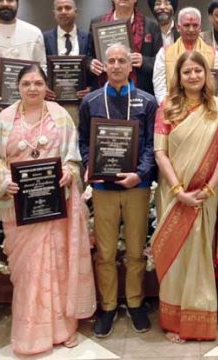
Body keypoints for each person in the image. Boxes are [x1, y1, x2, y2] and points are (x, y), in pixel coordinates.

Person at [0, 64, 96, 354]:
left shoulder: (60, 115)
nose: (32, 88)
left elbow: (72, 155)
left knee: (58, 266)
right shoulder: (5, 118)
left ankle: (63, 327)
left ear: (46, 87)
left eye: (37, 83)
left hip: (56, 206)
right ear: (18, 87)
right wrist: (4, 179)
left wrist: (70, 173)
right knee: (29, 271)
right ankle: (30, 332)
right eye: (26, 83)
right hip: (20, 208)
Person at [152, 51, 218, 342]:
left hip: (204, 194)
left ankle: (198, 317)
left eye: (197, 71)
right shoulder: (167, 107)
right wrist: (178, 191)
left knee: (199, 253)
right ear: (179, 76)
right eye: (186, 72)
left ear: (207, 75)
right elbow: (160, 153)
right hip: (173, 193)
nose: (192, 76)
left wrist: (209, 187)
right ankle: (174, 319)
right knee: (175, 255)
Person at [78, 43, 157, 337]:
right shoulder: (92, 102)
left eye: (121, 60)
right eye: (110, 61)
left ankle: (135, 303)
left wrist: (140, 174)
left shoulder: (147, 102)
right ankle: (109, 306)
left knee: (136, 251)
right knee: (106, 252)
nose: (116, 65)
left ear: (130, 65)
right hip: (102, 186)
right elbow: (84, 141)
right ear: (105, 65)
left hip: (138, 186)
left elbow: (150, 144)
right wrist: (88, 164)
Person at [87, 0, 162, 96]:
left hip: (140, 94)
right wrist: (90, 63)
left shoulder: (151, 26)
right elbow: (88, 55)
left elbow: (160, 63)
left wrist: (144, 61)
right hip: (104, 91)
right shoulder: (97, 23)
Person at [153, 7, 217, 104]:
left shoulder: (214, 53)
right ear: (178, 27)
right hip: (173, 108)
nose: (191, 29)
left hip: (205, 108)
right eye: (187, 25)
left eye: (195, 25)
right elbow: (159, 86)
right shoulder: (164, 53)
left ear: (200, 28)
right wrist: (166, 107)